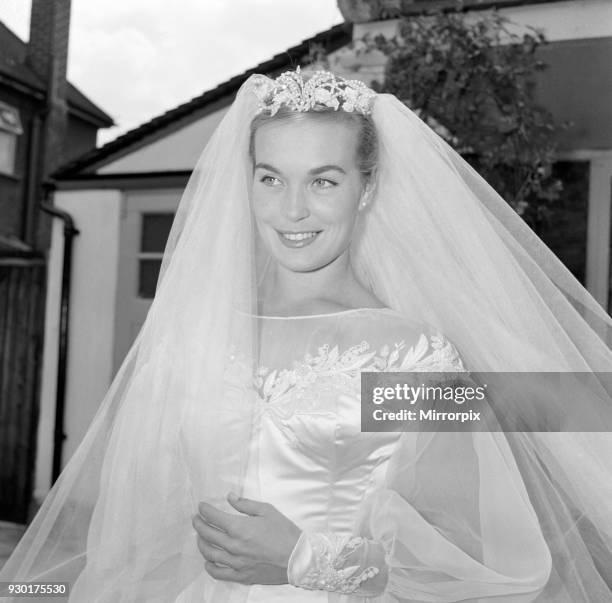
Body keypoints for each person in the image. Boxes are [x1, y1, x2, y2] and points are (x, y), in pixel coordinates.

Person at [2, 67, 612, 602]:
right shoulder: (191, 338)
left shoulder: (407, 356)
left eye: (323, 181)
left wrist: (304, 559)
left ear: (366, 188)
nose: (292, 209)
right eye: (271, 178)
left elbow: (477, 564)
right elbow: (135, 533)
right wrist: (33, 588)